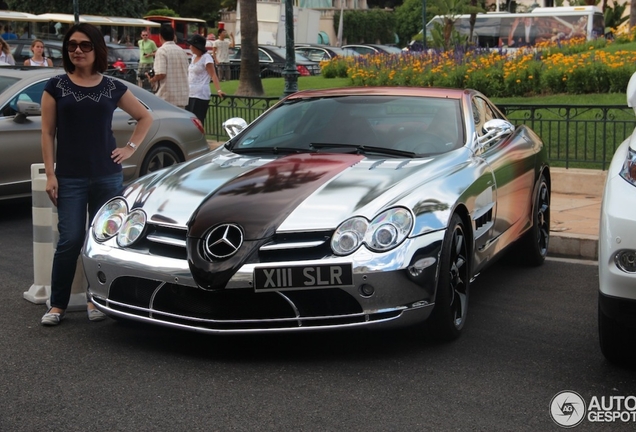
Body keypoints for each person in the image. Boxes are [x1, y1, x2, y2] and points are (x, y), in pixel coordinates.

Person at [39, 23, 152, 326]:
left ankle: (95, 299)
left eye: (85, 45)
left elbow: (145, 116)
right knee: (71, 240)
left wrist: (129, 148)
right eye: (72, 45)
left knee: (101, 241)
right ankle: (57, 305)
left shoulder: (112, 87)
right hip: (70, 178)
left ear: (96, 50)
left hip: (106, 175)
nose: (77, 50)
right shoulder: (56, 87)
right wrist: (51, 175)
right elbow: (47, 133)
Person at [186, 34, 225, 125]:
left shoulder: (206, 58)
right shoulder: (193, 57)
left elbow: (213, 75)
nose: (190, 47)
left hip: (200, 94)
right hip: (190, 92)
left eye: (192, 45)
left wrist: (218, 90)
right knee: (189, 119)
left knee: (197, 121)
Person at [147, 24, 189, 109]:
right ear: (174, 36)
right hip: (182, 96)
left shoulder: (161, 51)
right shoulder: (182, 51)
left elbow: (161, 74)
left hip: (166, 98)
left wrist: (151, 79)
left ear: (160, 36)